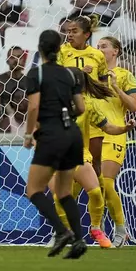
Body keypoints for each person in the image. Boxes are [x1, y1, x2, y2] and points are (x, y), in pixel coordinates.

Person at [47, 70, 136, 249]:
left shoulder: (88, 106)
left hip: (79, 155)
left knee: (96, 191)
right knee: (59, 197)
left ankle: (96, 228)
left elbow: (108, 127)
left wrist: (124, 128)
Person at [22, 29, 87, 259]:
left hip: (51, 134)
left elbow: (33, 107)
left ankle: (61, 232)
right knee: (64, 192)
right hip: (72, 135)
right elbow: (81, 108)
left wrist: (29, 135)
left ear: (40, 48)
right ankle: (79, 240)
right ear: (59, 49)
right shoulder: (71, 75)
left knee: (33, 190)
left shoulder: (36, 74)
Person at [97, 36, 136, 247]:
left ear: (116, 51)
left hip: (114, 133)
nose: (100, 49)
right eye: (97, 47)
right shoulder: (92, 75)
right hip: (91, 133)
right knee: (91, 186)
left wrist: (116, 87)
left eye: (104, 46)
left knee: (106, 182)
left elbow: (133, 106)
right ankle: (97, 229)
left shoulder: (126, 75)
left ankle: (121, 230)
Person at [57, 15, 108, 176]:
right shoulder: (62, 52)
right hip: (72, 112)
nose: (69, 35)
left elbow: (103, 82)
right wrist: (79, 73)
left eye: (74, 31)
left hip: (93, 112)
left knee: (95, 162)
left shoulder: (97, 55)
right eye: (68, 31)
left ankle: (98, 199)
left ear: (86, 35)